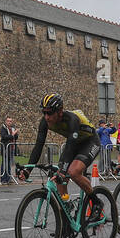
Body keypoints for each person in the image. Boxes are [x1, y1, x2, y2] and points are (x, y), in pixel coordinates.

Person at [17, 94, 104, 225]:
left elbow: (70, 146)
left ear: (60, 111)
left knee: (73, 172)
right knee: (59, 177)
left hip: (90, 142)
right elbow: (39, 145)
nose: (46, 117)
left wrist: (63, 171)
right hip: (73, 143)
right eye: (44, 112)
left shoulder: (72, 119)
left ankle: (96, 202)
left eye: (50, 113)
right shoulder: (44, 122)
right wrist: (28, 169)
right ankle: (67, 209)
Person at [0, 116, 19, 184]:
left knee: (9, 164)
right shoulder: (3, 128)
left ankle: (9, 178)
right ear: (6, 121)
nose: (9, 122)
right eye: (8, 121)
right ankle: (3, 179)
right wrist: (12, 135)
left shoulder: (12, 128)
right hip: (5, 148)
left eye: (10, 121)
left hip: (11, 148)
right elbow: (4, 136)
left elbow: (15, 138)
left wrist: (15, 134)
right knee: (4, 164)